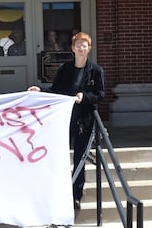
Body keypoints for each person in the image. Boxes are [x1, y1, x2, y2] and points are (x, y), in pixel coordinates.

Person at [27, 31, 104, 209]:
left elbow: (99, 94)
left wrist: (84, 97)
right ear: (72, 48)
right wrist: (40, 91)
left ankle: (76, 194)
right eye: (78, 45)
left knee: (79, 157)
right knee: (58, 156)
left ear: (89, 48)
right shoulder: (65, 69)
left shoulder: (96, 71)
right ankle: (57, 191)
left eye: (84, 45)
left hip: (84, 121)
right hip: (63, 119)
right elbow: (56, 92)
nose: (81, 48)